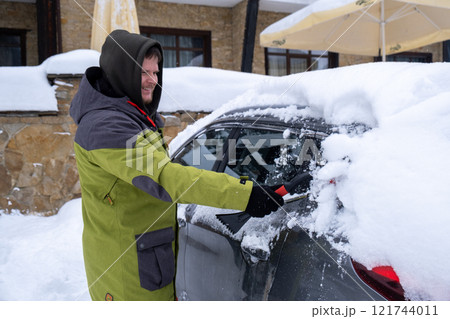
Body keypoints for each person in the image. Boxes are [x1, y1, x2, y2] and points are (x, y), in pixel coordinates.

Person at [70, 30, 287, 301]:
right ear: (121, 72)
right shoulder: (107, 127)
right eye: (143, 73)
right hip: (127, 273)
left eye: (155, 72)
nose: (152, 81)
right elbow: (164, 175)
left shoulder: (130, 113)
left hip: (145, 257)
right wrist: (245, 194)